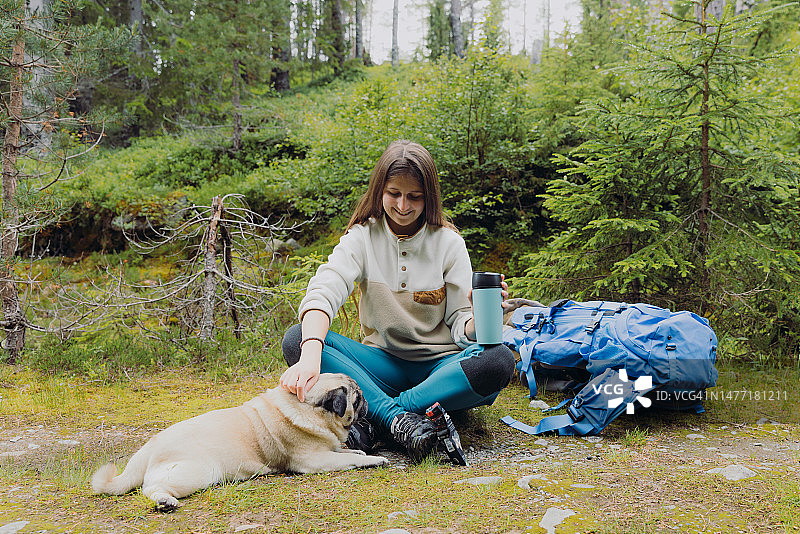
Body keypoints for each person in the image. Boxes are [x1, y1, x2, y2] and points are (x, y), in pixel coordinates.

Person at [279, 139, 515, 463]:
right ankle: (400, 418)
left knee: (498, 360)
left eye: (415, 196)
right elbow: (325, 289)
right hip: (380, 364)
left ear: (428, 197)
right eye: (394, 193)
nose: (403, 205)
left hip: (439, 369)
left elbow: (461, 322)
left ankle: (385, 414)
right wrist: (309, 355)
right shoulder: (362, 237)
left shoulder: (449, 243)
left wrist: (484, 320)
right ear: (380, 191)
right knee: (298, 339)